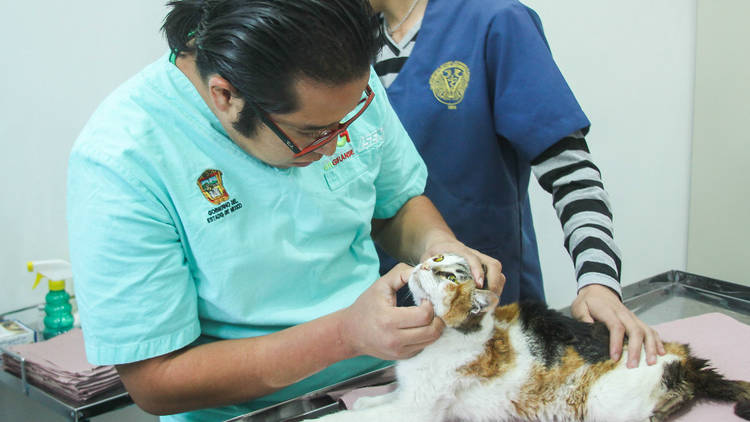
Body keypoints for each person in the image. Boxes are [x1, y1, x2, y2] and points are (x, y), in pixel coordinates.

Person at [66, 1, 504, 421]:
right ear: (225, 95)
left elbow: (393, 206)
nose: (335, 145)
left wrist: (438, 245)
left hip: (383, 386)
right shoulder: (124, 159)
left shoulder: (333, 75)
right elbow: (155, 381)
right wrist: (345, 336)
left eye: (347, 119)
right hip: (252, 412)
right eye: (311, 133)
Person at [368, 0, 665, 369]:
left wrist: (599, 282)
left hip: (488, 313)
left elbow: (572, 173)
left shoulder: (494, 22)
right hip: (382, 331)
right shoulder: (344, 43)